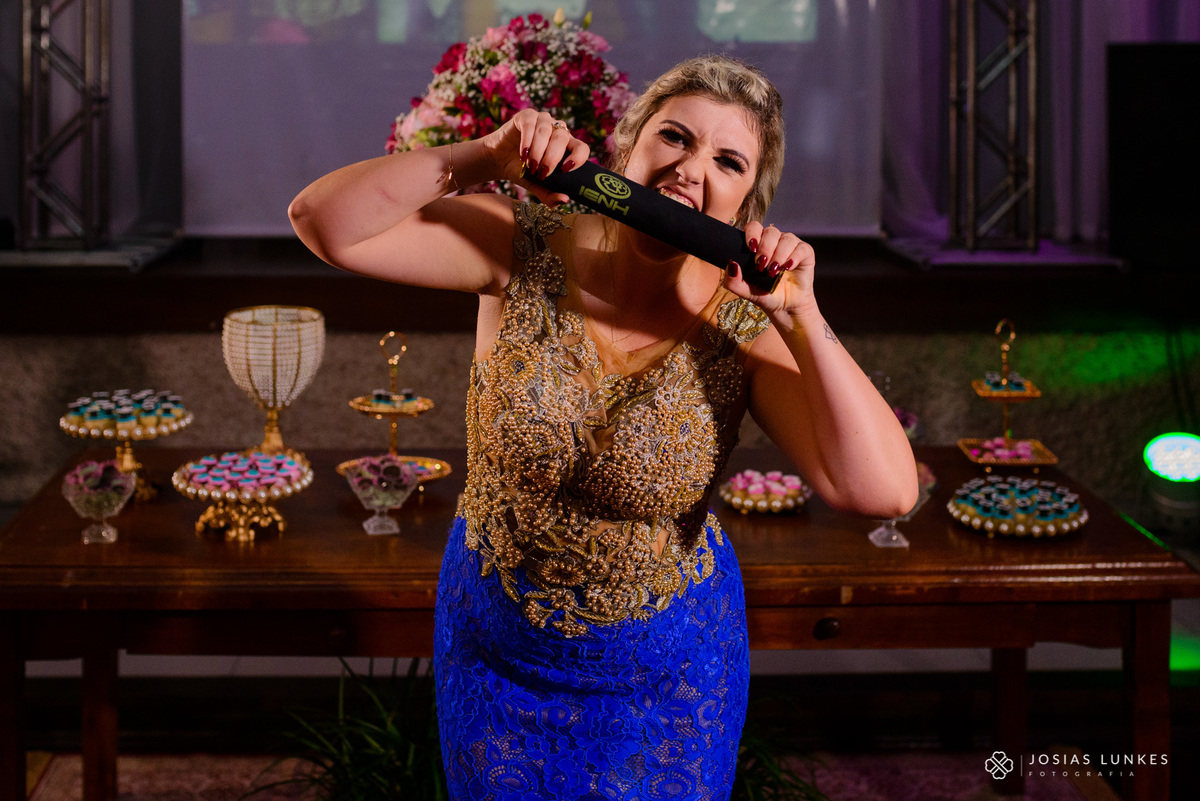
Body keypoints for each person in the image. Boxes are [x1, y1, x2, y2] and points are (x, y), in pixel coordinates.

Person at [290, 55, 917, 801]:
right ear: (628, 147)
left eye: (727, 159)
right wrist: (485, 156)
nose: (690, 168)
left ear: (748, 204)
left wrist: (803, 316)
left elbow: (883, 490)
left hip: (670, 673)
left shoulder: (746, 324)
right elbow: (323, 223)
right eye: (675, 137)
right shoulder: (521, 242)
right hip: (496, 652)